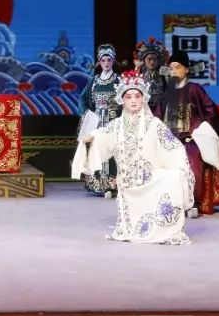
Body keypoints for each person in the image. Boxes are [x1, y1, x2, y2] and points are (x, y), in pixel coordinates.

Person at [72, 70, 194, 244]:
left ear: (143, 98)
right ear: (122, 100)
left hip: (150, 177)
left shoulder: (154, 124)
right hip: (128, 181)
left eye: (137, 96)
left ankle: (165, 229)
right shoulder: (117, 125)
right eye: (129, 97)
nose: (134, 100)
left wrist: (180, 167)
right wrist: (91, 138)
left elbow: (173, 147)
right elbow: (102, 135)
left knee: (174, 177)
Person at [154, 51, 219, 216]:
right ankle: (167, 201)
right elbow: (157, 115)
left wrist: (200, 130)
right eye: (171, 68)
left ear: (186, 70)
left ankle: (192, 202)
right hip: (170, 138)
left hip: (190, 138)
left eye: (177, 67)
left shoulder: (194, 89)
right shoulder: (168, 92)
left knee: (191, 157)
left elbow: (211, 110)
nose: (173, 71)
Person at [77, 43, 123, 197]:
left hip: (113, 121)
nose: (106, 63)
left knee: (112, 153)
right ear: (99, 62)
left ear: (113, 61)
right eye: (103, 61)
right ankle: (98, 184)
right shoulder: (94, 81)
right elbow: (83, 99)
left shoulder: (119, 80)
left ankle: (112, 185)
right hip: (98, 122)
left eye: (109, 60)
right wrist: (87, 115)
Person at [133, 37, 169, 114]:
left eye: (154, 59)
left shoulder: (164, 74)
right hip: (144, 111)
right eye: (149, 59)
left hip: (161, 111)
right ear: (144, 60)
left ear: (158, 60)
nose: (152, 62)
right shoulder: (140, 74)